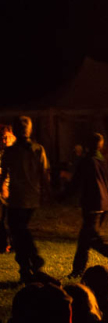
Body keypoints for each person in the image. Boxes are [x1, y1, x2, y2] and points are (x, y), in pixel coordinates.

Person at [67, 133, 108, 278]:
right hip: (104, 203)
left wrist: (62, 196)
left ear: (87, 145)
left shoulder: (87, 161)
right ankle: (77, 270)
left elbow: (76, 182)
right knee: (85, 239)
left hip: (92, 203)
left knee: (92, 239)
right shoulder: (103, 161)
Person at [0, 116, 53, 283]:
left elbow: (4, 174)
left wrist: (2, 187)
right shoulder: (38, 149)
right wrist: (47, 193)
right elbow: (45, 174)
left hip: (17, 198)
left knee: (19, 231)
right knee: (20, 231)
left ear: (15, 131)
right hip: (32, 197)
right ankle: (26, 269)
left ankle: (33, 260)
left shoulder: (10, 151)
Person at [0, 125, 16, 253]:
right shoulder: (2, 153)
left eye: (7, 137)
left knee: (13, 219)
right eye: (3, 138)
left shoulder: (18, 152)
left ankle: (13, 244)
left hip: (16, 189)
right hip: (3, 190)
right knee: (3, 219)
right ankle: (5, 244)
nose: (4, 140)